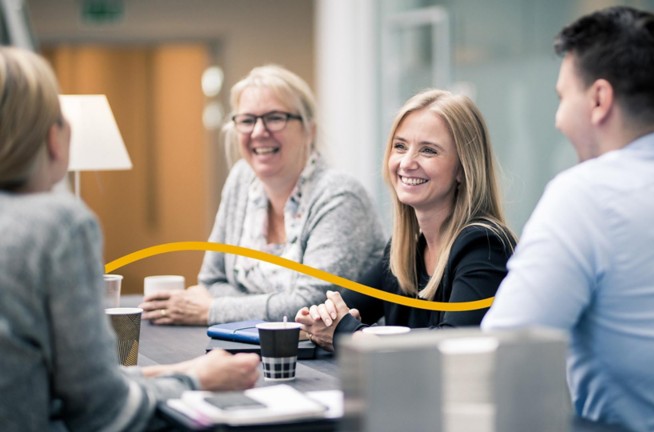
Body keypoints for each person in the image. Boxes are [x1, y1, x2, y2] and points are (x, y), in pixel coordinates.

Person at [482, 6, 654, 432]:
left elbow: (501, 358)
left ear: (599, 99)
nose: (558, 121)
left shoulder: (583, 195)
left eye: (563, 98)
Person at [0, 47, 260, 432]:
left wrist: (179, 369)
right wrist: (195, 380)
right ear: (54, 138)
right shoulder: (57, 227)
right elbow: (102, 410)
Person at [140, 65, 384, 325]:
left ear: (308, 130)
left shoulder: (340, 197)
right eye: (247, 120)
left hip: (328, 361)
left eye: (275, 117)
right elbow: (210, 282)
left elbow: (313, 305)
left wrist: (214, 310)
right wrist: (278, 303)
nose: (258, 132)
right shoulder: (242, 179)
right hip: (248, 345)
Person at [296, 89, 516, 351]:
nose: (407, 162)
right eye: (400, 146)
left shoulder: (484, 246)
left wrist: (347, 333)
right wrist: (319, 322)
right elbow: (339, 313)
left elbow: (450, 347)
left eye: (428, 150)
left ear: (462, 168)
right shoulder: (405, 250)